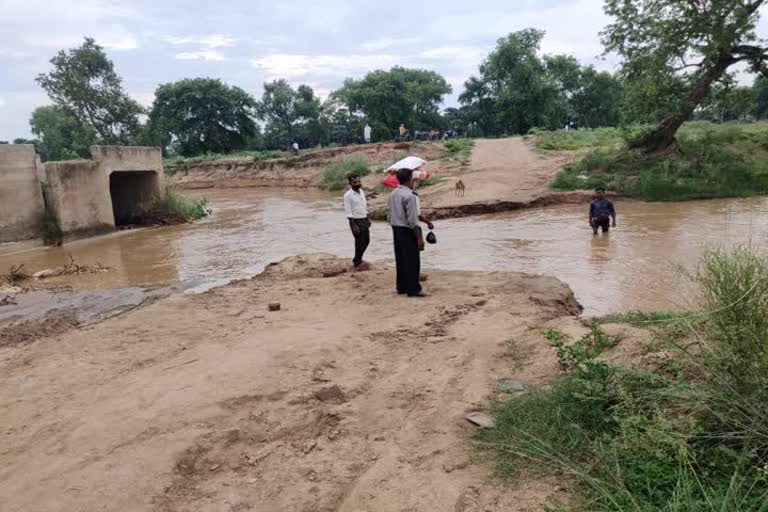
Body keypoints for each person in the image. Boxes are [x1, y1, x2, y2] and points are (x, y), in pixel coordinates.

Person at [388, 168, 426, 297]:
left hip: (396, 228)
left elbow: (389, 215)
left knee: (401, 259)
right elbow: (412, 220)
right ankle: (413, 289)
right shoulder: (410, 196)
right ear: (409, 179)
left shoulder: (392, 194)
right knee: (412, 260)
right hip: (408, 230)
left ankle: (401, 286)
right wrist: (419, 238)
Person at [344, 174, 371, 267]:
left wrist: (368, 218)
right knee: (359, 241)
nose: (357, 183)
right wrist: (353, 225)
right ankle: (357, 261)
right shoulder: (348, 195)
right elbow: (348, 211)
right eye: (355, 182)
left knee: (367, 240)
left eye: (359, 181)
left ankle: (358, 258)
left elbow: (364, 206)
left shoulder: (362, 192)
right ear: (350, 183)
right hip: (355, 221)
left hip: (363, 219)